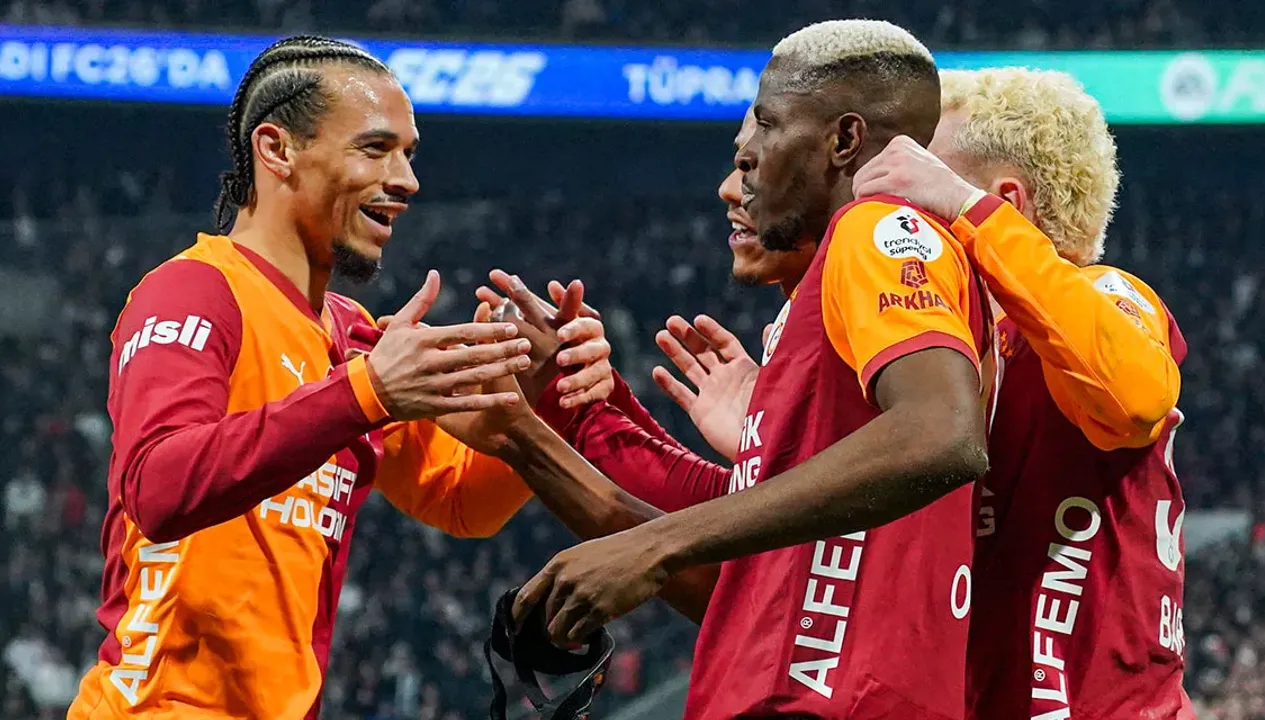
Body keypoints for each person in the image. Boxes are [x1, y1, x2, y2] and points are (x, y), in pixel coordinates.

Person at [66, 36, 612, 720]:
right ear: (277, 150)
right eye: (375, 149)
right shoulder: (194, 292)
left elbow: (461, 502)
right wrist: (364, 392)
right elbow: (158, 489)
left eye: (408, 155)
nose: (407, 180)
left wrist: (540, 398)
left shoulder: (355, 337)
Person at [500, 20, 993, 719]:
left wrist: (655, 543)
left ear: (844, 141)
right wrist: (579, 417)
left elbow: (944, 432)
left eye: (766, 124)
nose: (743, 162)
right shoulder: (823, 312)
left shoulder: (877, 231)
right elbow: (756, 560)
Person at [853, 68, 1192, 720]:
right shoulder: (959, 364)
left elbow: (1136, 396)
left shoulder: (1104, 294)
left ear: (1003, 202)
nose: (903, 217)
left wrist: (967, 210)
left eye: (923, 186)